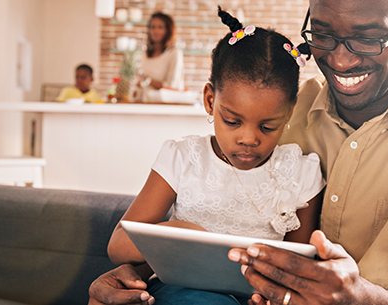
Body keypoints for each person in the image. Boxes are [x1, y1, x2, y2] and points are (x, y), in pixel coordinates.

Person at [89, 0, 388, 304]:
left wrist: (360, 298)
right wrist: (139, 276)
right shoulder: (283, 109)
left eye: (368, 37)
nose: (339, 59)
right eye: (321, 35)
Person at [105, 8, 325, 305]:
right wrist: (180, 233)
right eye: (232, 121)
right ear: (210, 101)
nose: (248, 139)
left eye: (267, 126)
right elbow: (118, 245)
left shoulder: (301, 173)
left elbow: (299, 269)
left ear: (289, 112)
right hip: (178, 294)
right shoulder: (183, 158)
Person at [132, 12, 184, 102]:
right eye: (152, 27)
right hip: (144, 104)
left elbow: (172, 86)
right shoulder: (145, 54)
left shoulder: (174, 53)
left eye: (160, 27)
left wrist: (148, 80)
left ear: (168, 30)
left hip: (164, 106)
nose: (155, 31)